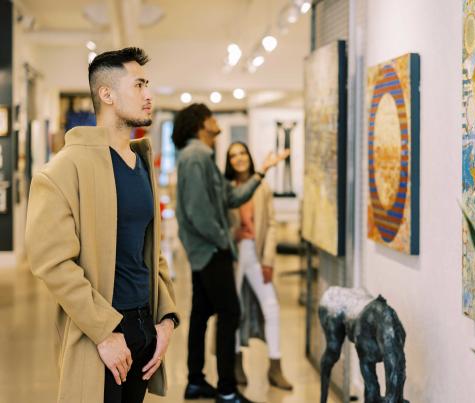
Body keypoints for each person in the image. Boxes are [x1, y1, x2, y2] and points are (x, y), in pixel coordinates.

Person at [25, 47, 180, 403]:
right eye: (139, 84)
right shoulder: (63, 170)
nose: (149, 95)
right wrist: (105, 332)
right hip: (101, 334)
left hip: (145, 330)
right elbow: (52, 262)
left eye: (148, 84)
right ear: (106, 94)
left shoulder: (141, 163)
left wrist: (166, 319)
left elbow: (151, 251)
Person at [172, 103, 288, 403]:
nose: (215, 120)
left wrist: (262, 171)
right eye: (211, 116)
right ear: (202, 123)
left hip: (206, 250)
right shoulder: (196, 156)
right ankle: (226, 388)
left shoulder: (201, 157)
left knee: (200, 315)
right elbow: (198, 212)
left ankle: (196, 381)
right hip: (212, 250)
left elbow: (232, 196)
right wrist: (223, 239)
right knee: (230, 313)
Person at [225, 142, 293, 391]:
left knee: (272, 306)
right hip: (234, 255)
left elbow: (272, 224)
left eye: (242, 153)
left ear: (249, 156)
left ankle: (275, 366)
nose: (239, 158)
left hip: (256, 253)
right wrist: (234, 233)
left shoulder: (262, 187)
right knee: (234, 310)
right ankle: (236, 364)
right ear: (228, 161)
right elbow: (223, 224)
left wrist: (268, 260)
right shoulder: (226, 187)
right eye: (233, 155)